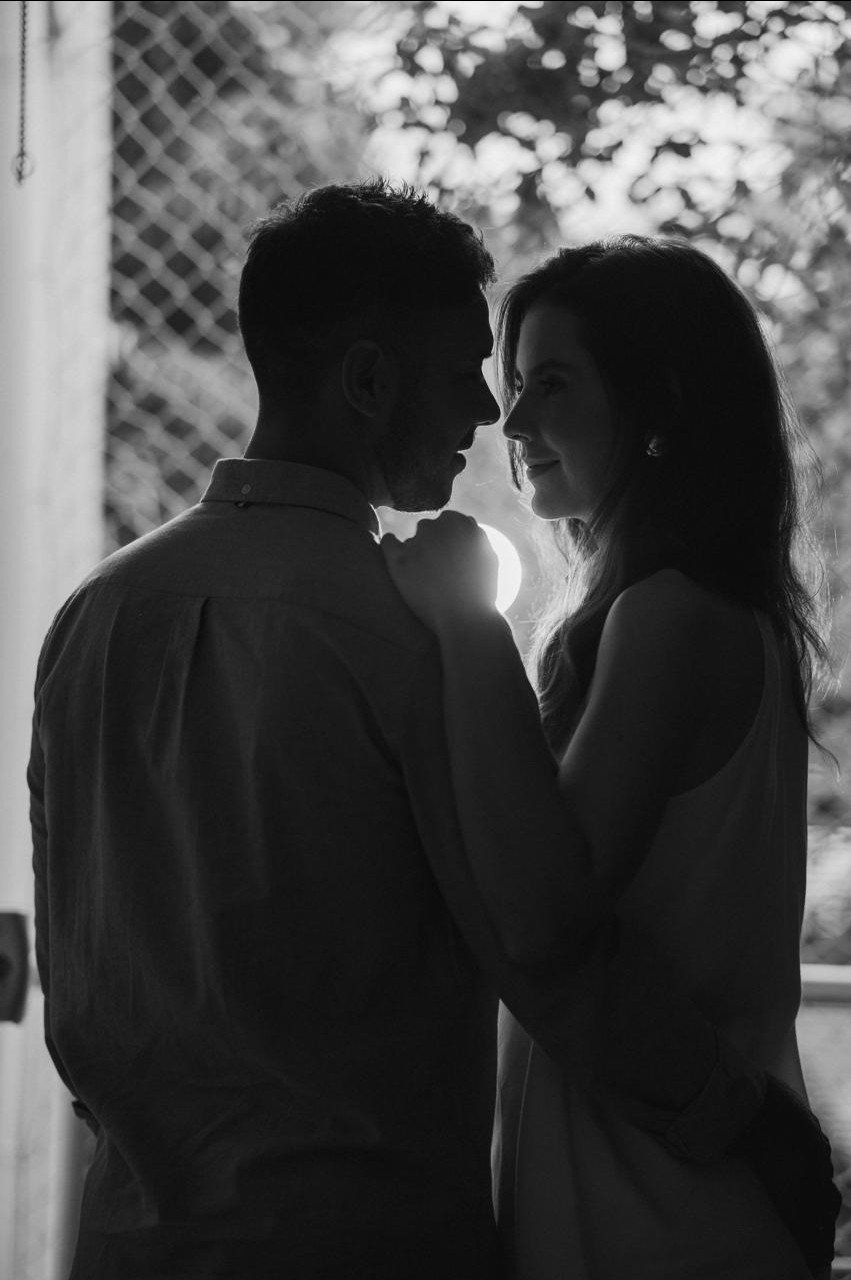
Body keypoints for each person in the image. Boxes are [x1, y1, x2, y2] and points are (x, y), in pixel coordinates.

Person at [29, 184, 831, 1280]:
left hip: (132, 1229)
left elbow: (77, 950)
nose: (490, 414)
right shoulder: (405, 629)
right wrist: (750, 1125)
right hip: (368, 1234)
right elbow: (546, 951)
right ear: (367, 381)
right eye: (468, 372)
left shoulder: (96, 613)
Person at [382, 235, 840, 1279]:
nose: (512, 423)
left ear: (658, 402)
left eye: (549, 383)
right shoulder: (704, 612)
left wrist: (465, 625)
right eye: (513, 384)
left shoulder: (668, 617)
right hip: (661, 1183)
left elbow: (548, 911)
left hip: (668, 1208)